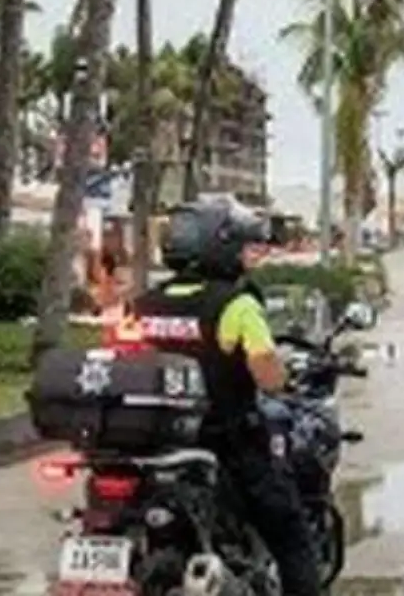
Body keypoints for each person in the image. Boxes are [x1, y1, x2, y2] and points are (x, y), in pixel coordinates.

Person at [129, 203, 320, 596]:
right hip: (226, 442)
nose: (249, 255)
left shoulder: (144, 304)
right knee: (291, 535)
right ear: (222, 248)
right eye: (242, 246)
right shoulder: (236, 304)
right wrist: (283, 379)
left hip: (154, 443)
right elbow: (268, 377)